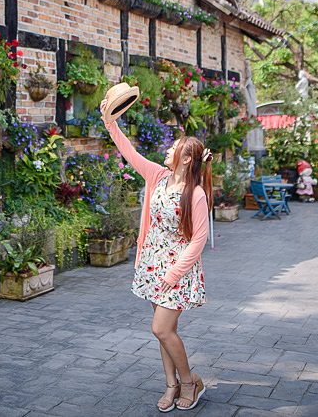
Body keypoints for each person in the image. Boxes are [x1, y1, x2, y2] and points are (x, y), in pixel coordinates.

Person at [101, 98, 212, 412]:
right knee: (166, 332)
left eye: (174, 147)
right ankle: (171, 384)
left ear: (187, 159)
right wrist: (110, 122)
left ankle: (190, 381)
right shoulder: (157, 177)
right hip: (151, 263)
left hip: (177, 269)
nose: (167, 149)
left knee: (160, 328)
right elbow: (129, 152)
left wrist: (174, 273)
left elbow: (199, 239)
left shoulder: (196, 193)